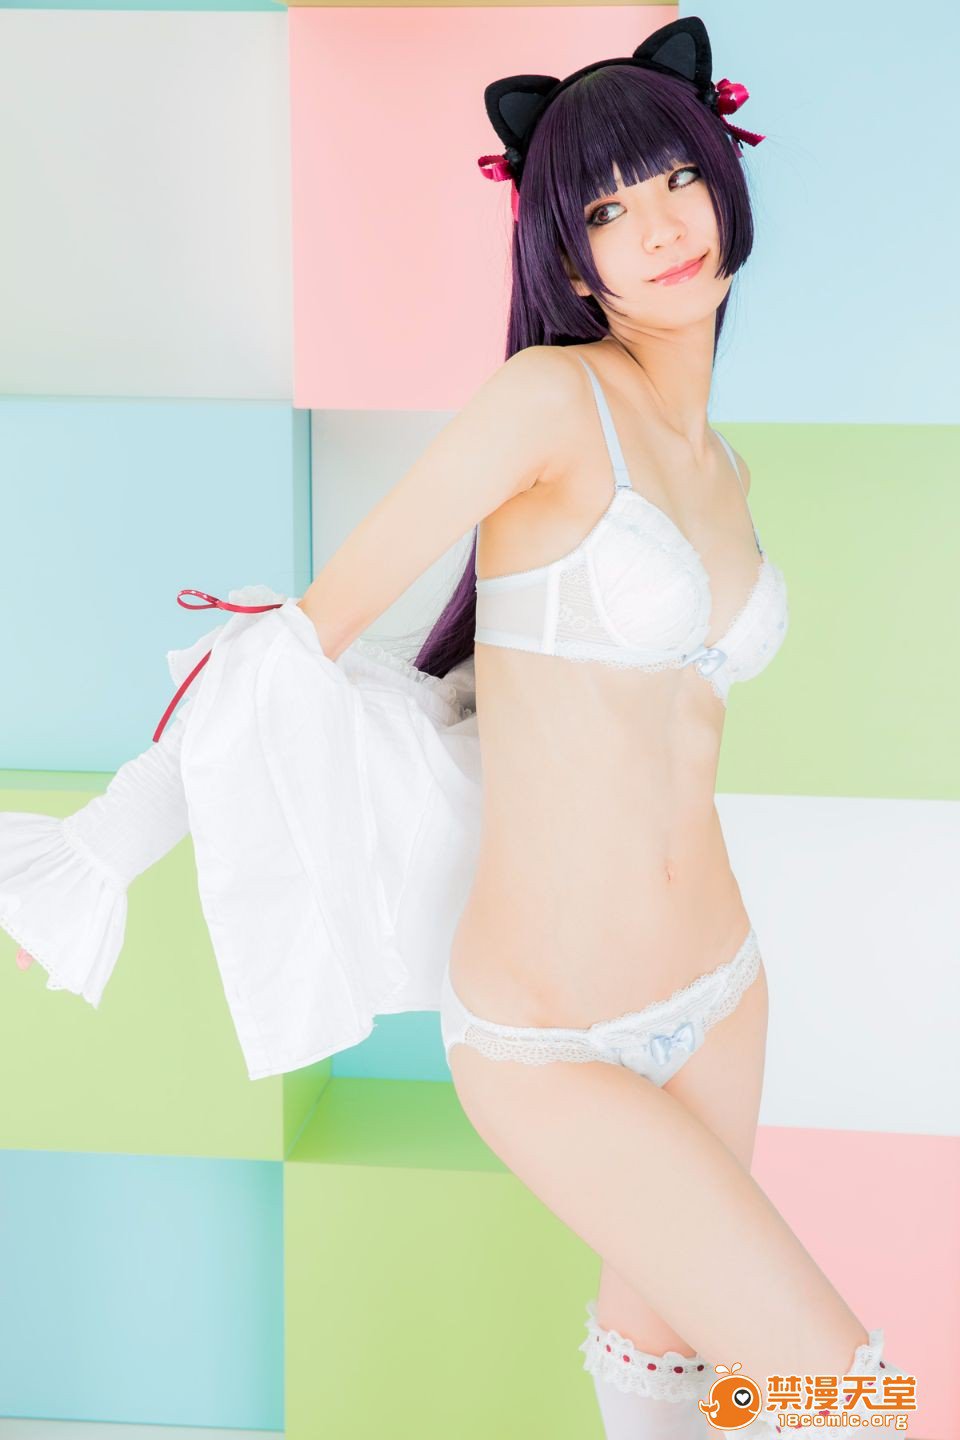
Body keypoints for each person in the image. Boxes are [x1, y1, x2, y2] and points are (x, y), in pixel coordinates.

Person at [1, 16, 909, 1437]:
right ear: (567, 259)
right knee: (848, 1395)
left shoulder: (723, 466)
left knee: (667, 1372)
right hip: (552, 1033)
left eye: (678, 178)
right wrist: (96, 853)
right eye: (605, 210)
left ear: (726, 178)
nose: (660, 226)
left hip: (722, 991)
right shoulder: (549, 402)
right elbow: (296, 643)